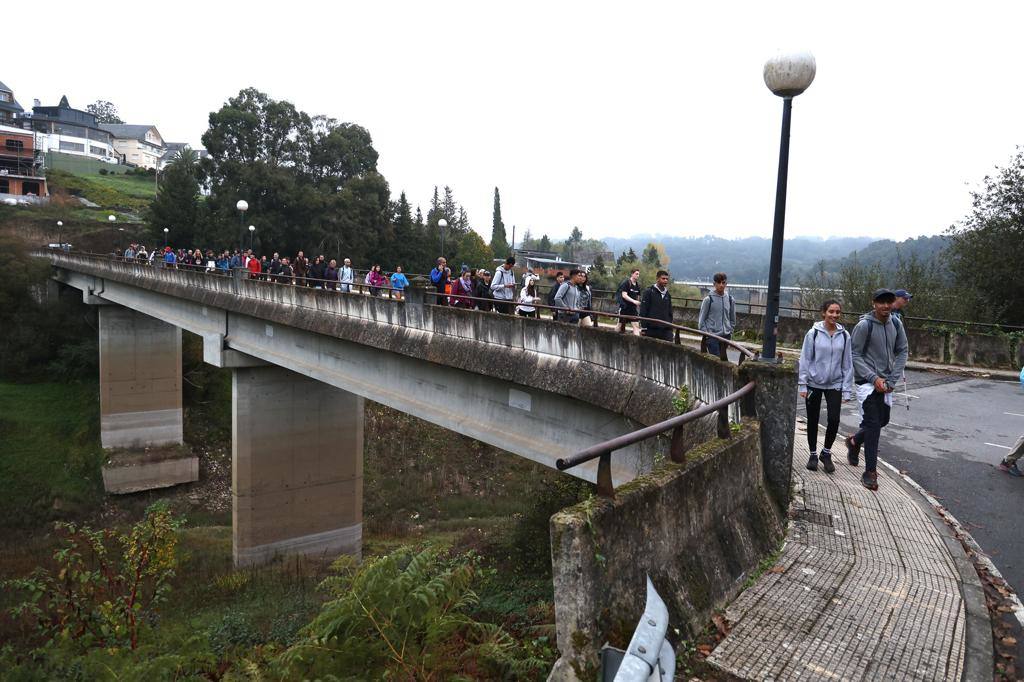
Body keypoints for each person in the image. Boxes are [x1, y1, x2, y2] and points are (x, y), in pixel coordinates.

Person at [846, 288, 909, 491]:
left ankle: (855, 442)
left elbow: (902, 350)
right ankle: (870, 472)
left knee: (883, 420)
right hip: (867, 383)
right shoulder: (864, 326)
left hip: (887, 382)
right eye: (881, 302)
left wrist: (892, 379)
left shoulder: (896, 323)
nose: (885, 306)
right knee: (873, 425)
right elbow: (854, 355)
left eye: (888, 302)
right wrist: (874, 378)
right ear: (874, 303)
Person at [799, 300, 854, 473]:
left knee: (834, 419)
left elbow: (847, 363)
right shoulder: (813, 333)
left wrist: (847, 388)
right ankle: (813, 454)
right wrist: (802, 384)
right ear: (823, 313)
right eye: (831, 311)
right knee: (813, 420)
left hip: (835, 384)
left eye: (837, 312)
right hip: (814, 383)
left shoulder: (844, 335)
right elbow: (805, 359)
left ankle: (826, 453)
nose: (835, 315)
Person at [698, 272, 735, 359]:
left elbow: (732, 318)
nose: (721, 285)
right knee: (717, 360)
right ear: (714, 284)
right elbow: (701, 320)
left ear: (726, 284)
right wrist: (707, 334)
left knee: (722, 360)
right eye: (718, 283)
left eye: (723, 283)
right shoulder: (708, 299)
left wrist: (730, 330)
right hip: (712, 337)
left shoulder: (730, 299)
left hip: (726, 336)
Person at [639, 270, 674, 341]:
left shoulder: (668, 295)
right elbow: (643, 310)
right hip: (651, 329)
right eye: (663, 278)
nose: (665, 281)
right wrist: (644, 327)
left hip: (665, 330)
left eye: (667, 279)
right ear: (657, 279)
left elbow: (670, 312)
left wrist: (670, 328)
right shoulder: (648, 292)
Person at [616, 268, 642, 336]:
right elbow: (624, 295)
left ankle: (637, 342)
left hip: (633, 309)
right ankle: (613, 338)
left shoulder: (637, 285)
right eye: (636, 274)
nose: (638, 275)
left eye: (638, 274)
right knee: (619, 326)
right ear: (632, 274)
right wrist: (633, 301)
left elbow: (638, 296)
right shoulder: (627, 283)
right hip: (625, 307)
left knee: (636, 326)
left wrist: (638, 303)